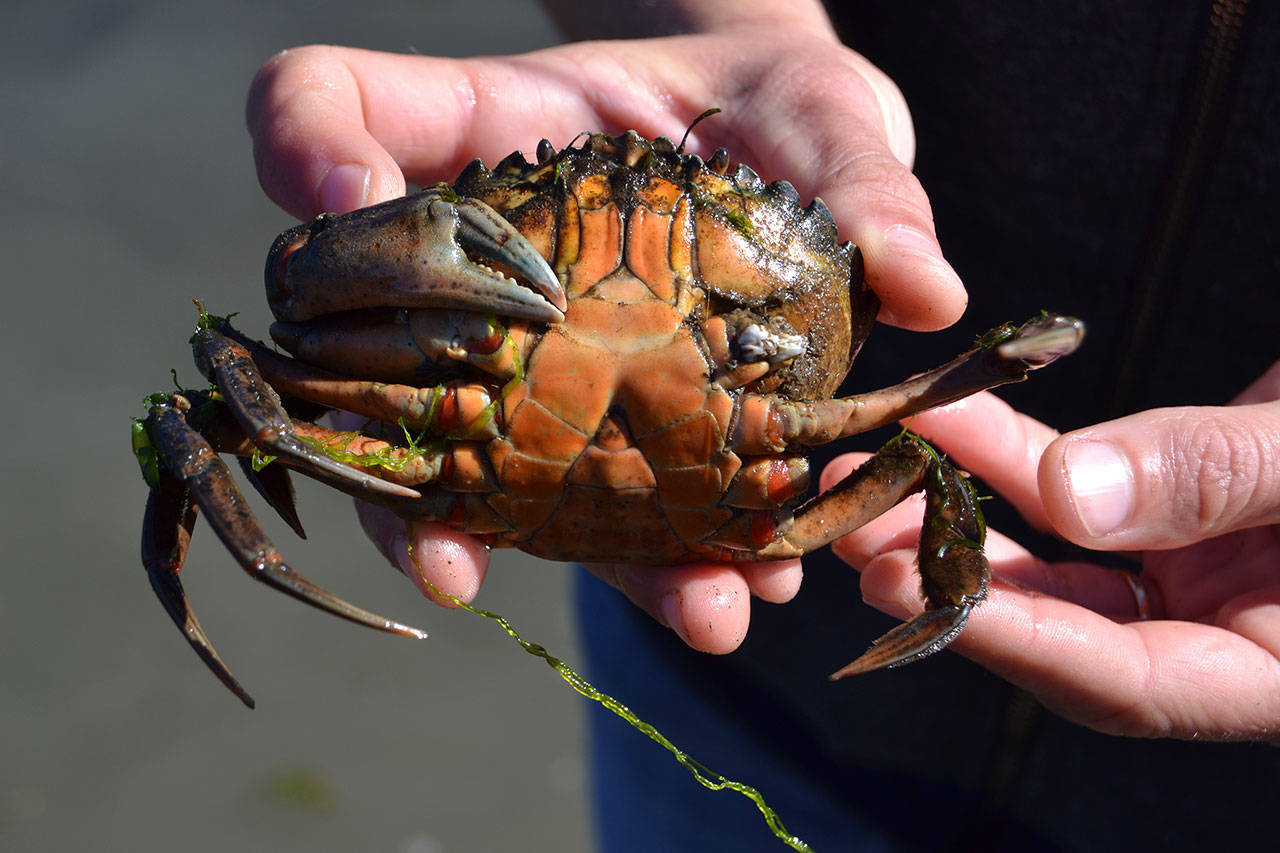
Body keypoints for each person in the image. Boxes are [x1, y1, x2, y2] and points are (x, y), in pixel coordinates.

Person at [246, 0, 1280, 847]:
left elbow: (890, 402)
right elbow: (287, 325)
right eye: (547, 201)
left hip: (1225, 806)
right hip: (731, 702)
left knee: (924, 449)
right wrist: (731, 27)